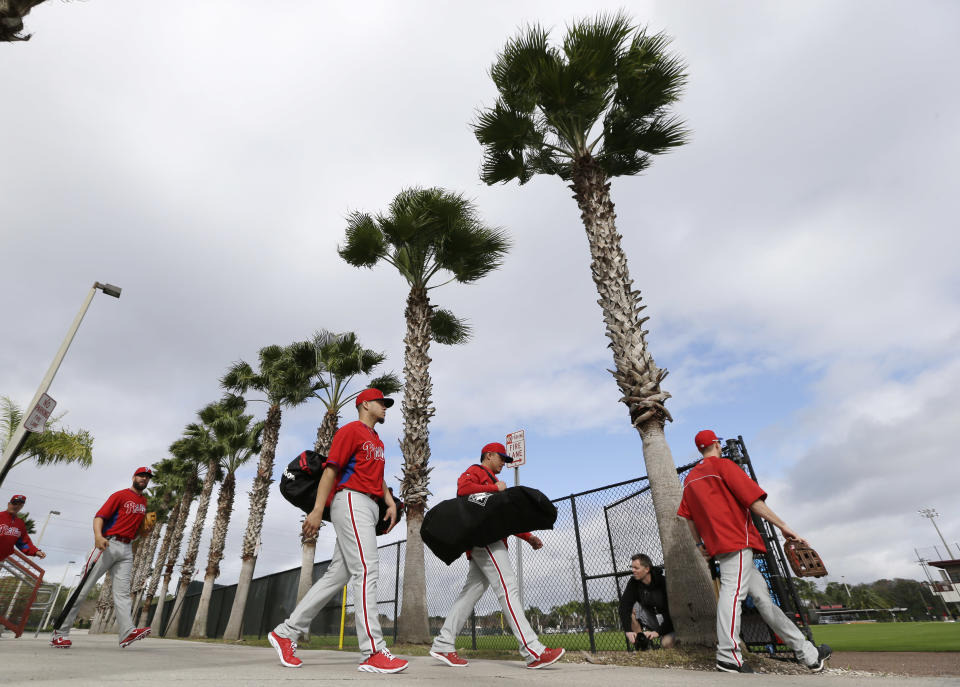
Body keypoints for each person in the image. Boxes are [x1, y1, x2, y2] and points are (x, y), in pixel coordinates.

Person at [268, 388, 407, 674]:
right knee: (366, 570)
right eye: (381, 402)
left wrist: (390, 502)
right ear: (365, 404)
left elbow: (377, 478)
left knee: (339, 574)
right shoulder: (350, 431)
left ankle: (286, 632)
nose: (385, 407)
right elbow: (331, 471)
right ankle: (372, 651)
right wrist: (317, 510)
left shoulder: (376, 439)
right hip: (351, 500)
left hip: (369, 505)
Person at [677, 430, 831, 674]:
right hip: (736, 540)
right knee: (733, 594)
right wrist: (785, 528)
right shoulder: (723, 466)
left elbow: (689, 519)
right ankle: (727, 655)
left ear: (700, 450)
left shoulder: (690, 478)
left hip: (719, 545)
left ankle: (808, 654)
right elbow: (753, 501)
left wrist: (700, 545)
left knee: (762, 600)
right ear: (716, 444)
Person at [429, 442, 565, 670]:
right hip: (486, 540)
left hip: (487, 540)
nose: (504, 462)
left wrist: (528, 537)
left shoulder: (493, 482)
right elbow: (462, 490)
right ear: (489, 455)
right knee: (508, 587)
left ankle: (443, 643)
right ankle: (533, 651)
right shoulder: (477, 471)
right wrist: (495, 489)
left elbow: (503, 520)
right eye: (501, 458)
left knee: (470, 594)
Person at [50, 467, 154, 649]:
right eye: (141, 475)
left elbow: (135, 528)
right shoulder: (119, 495)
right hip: (107, 543)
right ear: (133, 477)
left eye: (147, 477)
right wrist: (98, 536)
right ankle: (59, 633)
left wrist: (144, 531)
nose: (144, 479)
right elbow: (100, 516)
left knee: (122, 594)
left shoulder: (144, 501)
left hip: (127, 548)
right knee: (83, 589)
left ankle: (127, 632)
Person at [619, 553, 675, 650]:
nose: (633, 571)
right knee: (632, 608)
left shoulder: (662, 582)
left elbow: (673, 612)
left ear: (647, 569)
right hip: (653, 619)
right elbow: (624, 606)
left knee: (666, 644)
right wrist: (628, 631)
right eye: (632, 567)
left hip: (671, 623)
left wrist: (657, 632)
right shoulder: (634, 582)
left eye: (636, 568)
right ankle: (643, 646)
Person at [0, 494, 47, 563]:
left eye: (19, 505)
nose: (16, 506)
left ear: (22, 507)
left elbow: (23, 543)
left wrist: (35, 551)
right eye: (14, 503)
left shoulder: (20, 524)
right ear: (9, 504)